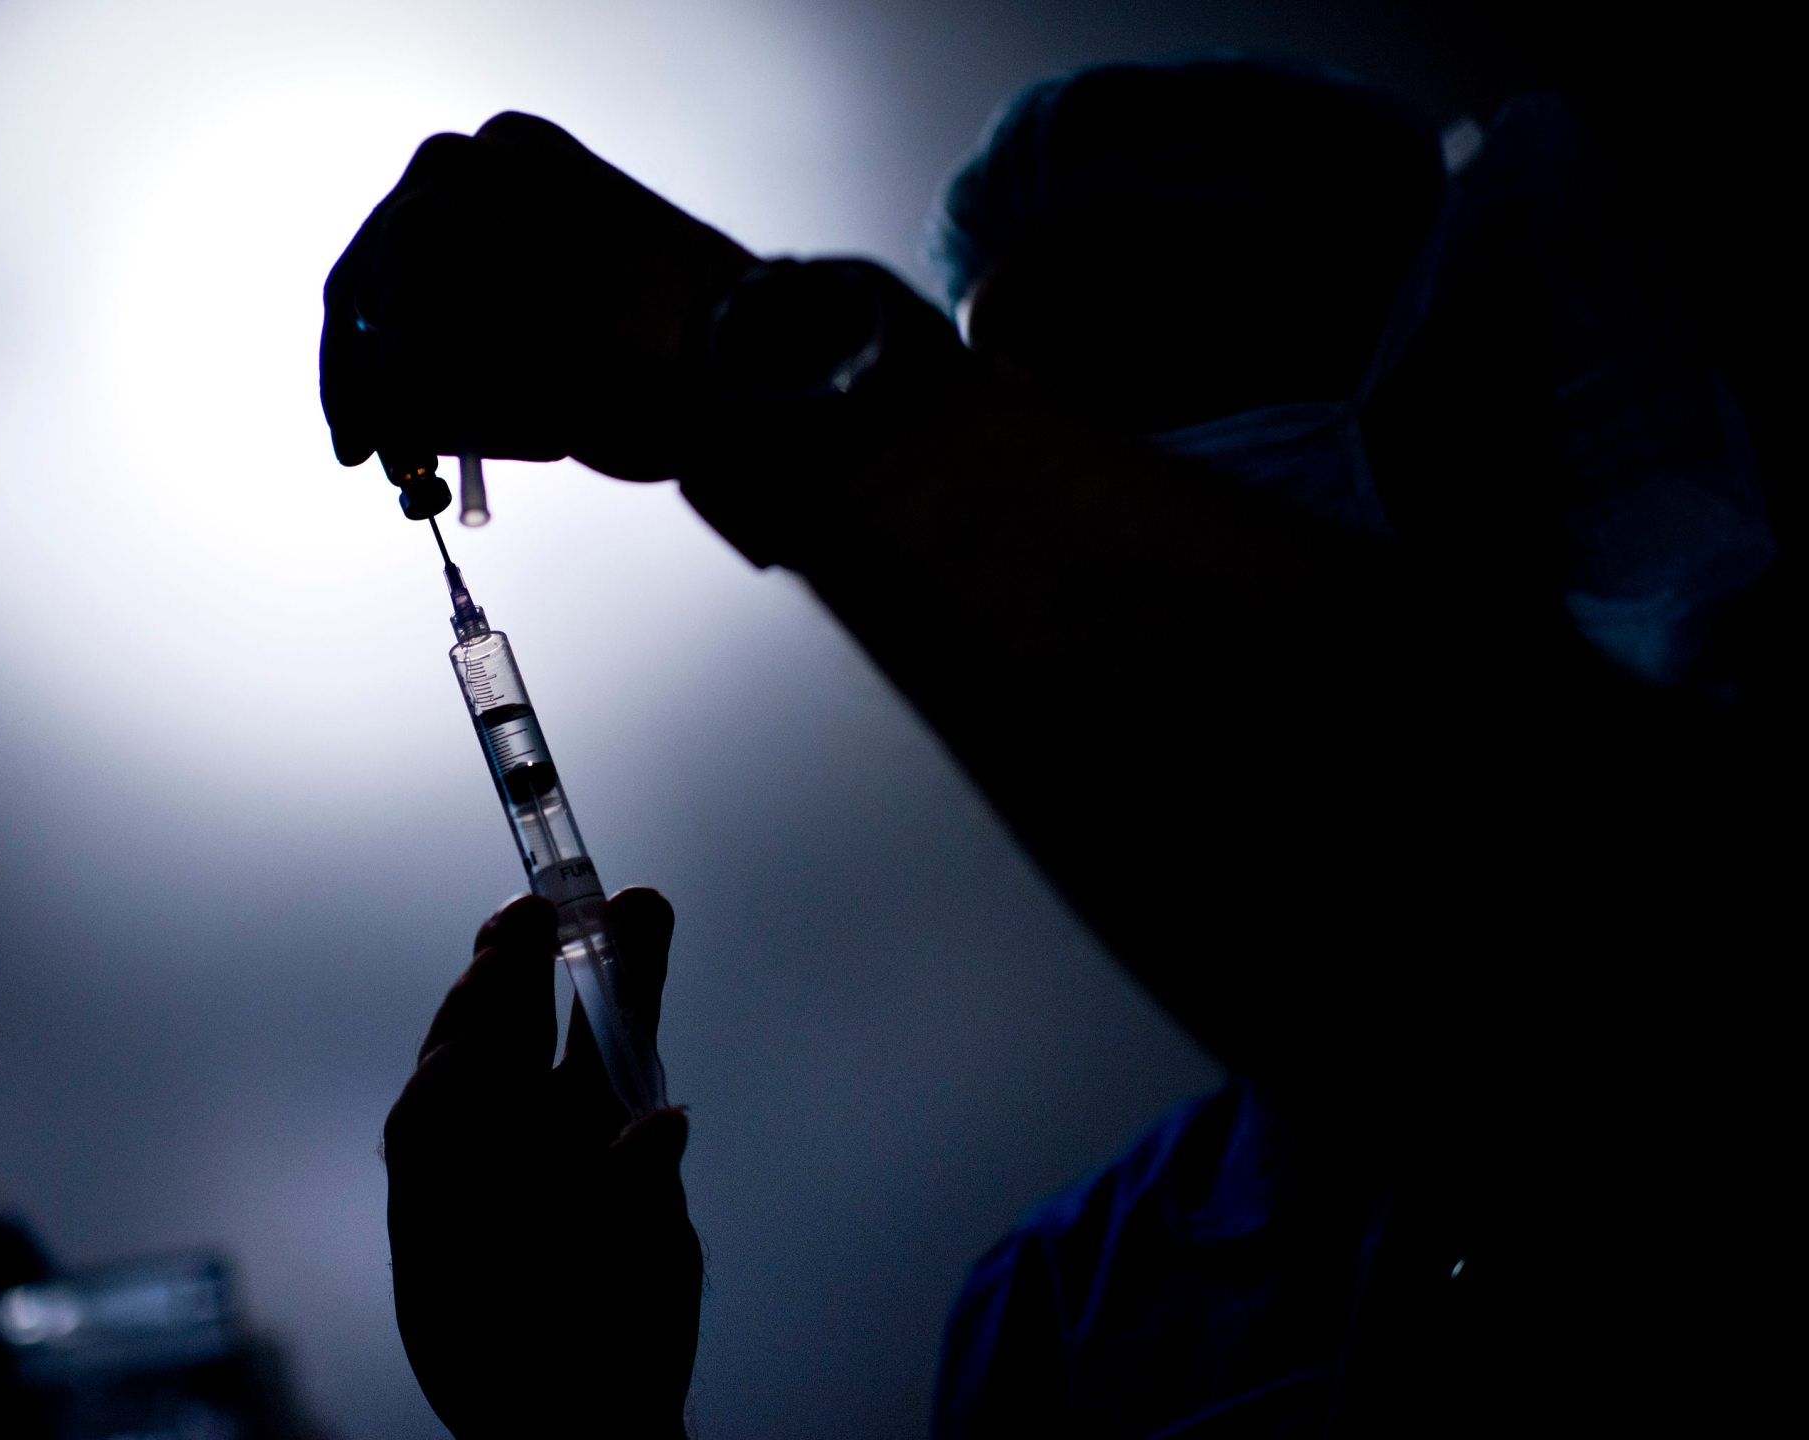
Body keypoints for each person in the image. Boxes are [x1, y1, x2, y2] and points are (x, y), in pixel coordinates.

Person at [324, 49, 1786, 1438]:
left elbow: (1590, 1044)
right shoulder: (1061, 1316)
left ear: (1473, 397)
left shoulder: (1689, 985)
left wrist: (752, 360)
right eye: (1034, 419)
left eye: (1169, 377)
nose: (1038, 525)